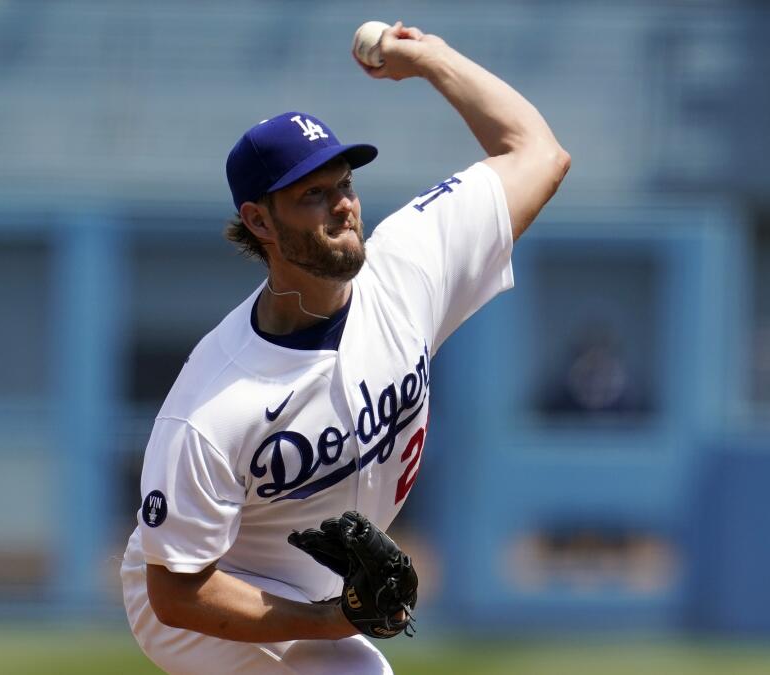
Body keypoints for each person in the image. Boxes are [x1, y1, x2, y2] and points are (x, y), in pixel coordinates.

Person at [120, 21, 570, 674]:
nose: (343, 206)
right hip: (210, 588)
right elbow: (176, 594)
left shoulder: (409, 263)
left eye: (344, 184)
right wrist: (331, 621)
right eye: (313, 195)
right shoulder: (213, 403)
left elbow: (537, 152)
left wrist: (434, 60)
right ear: (259, 220)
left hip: (309, 579)